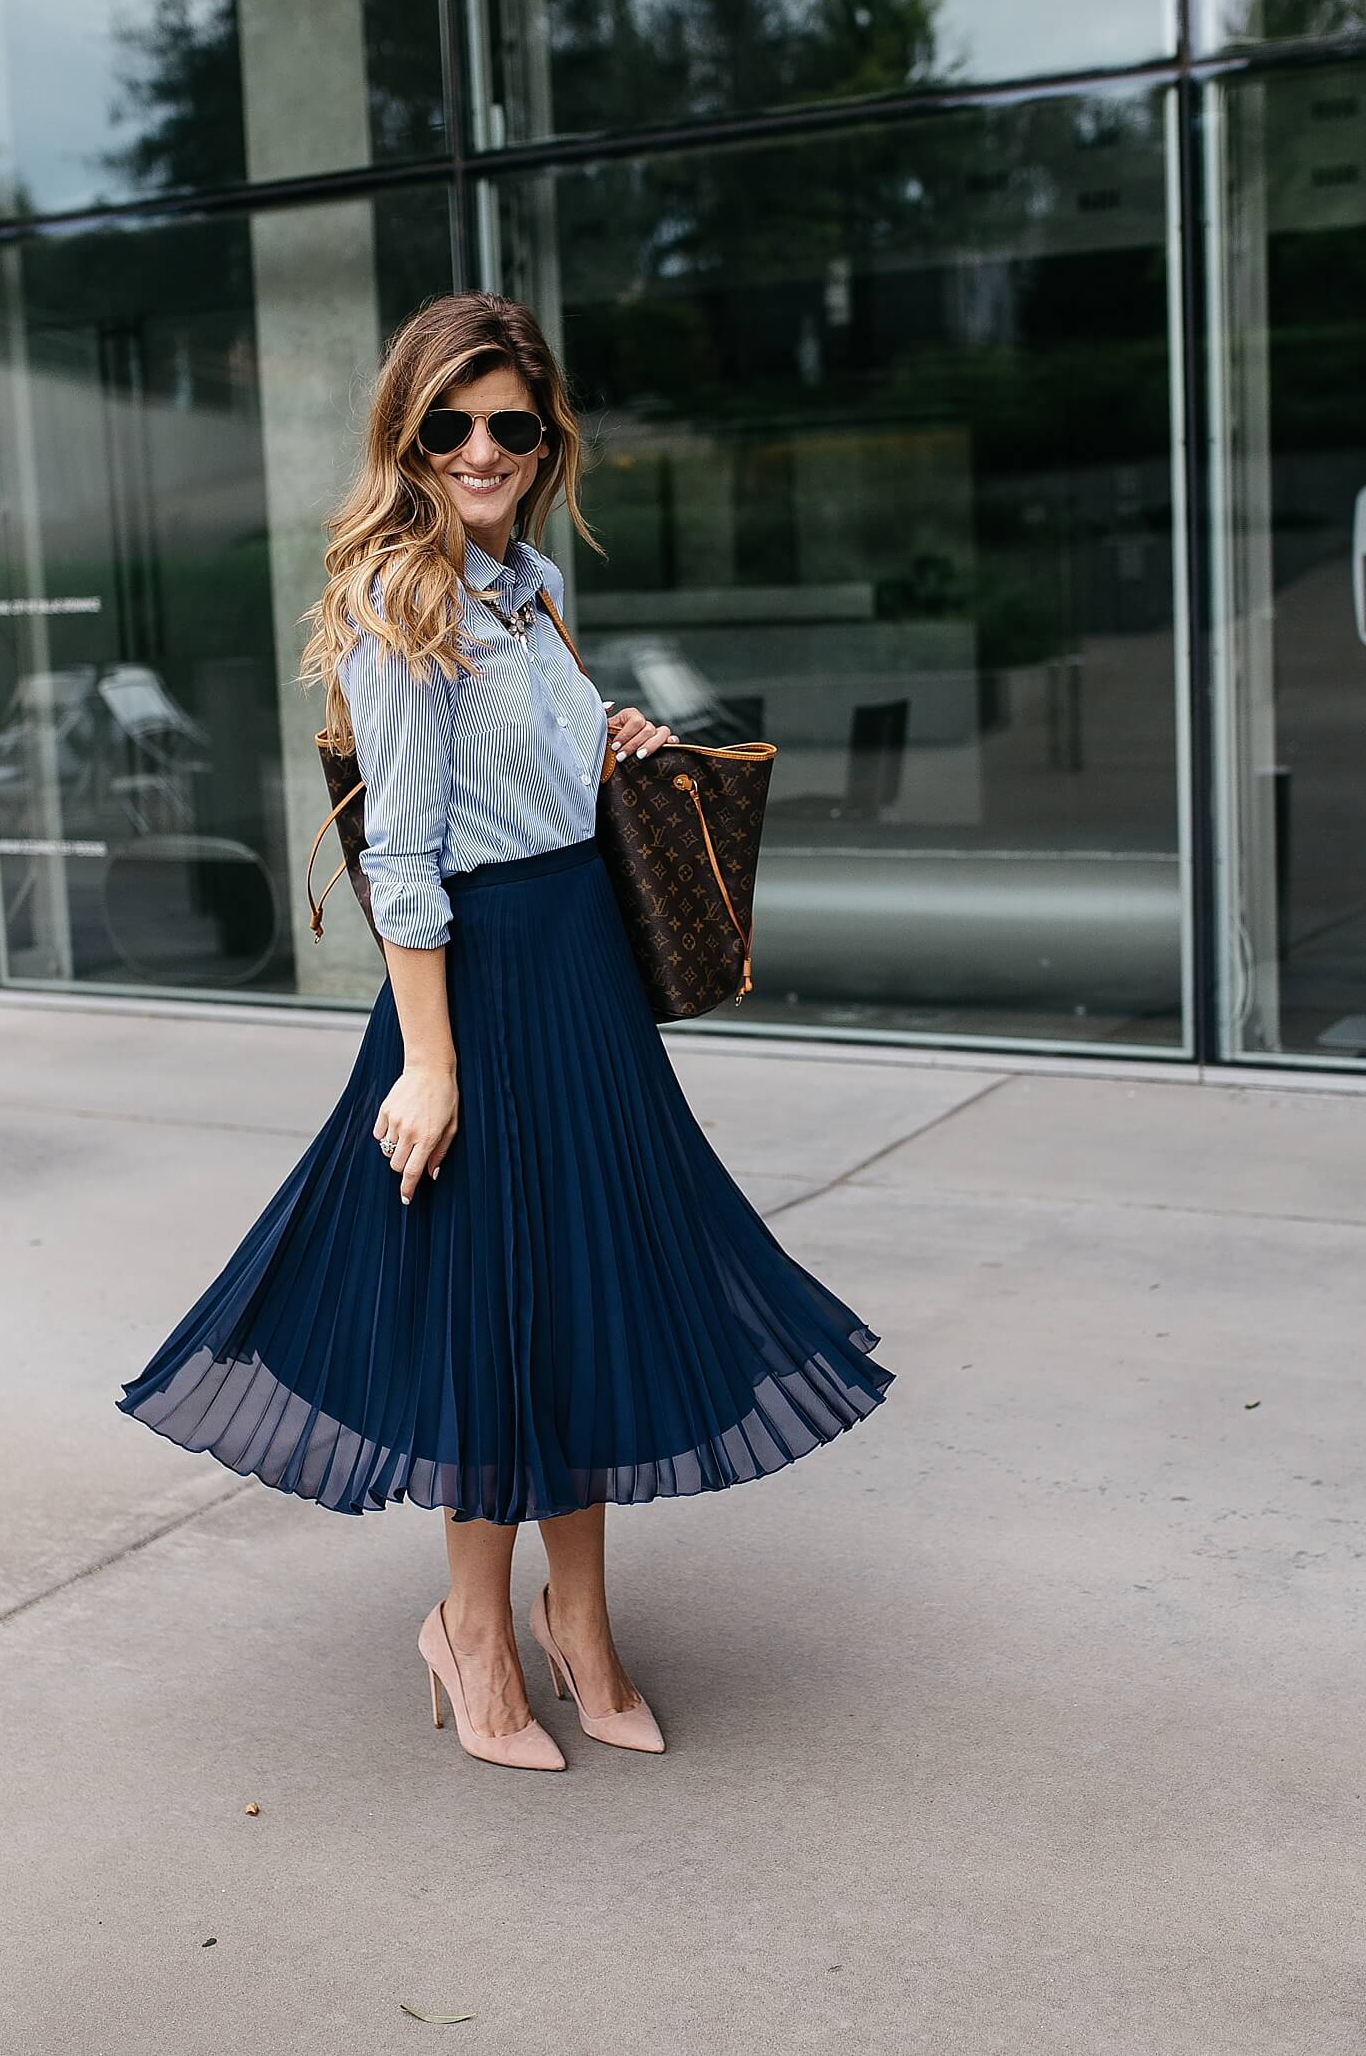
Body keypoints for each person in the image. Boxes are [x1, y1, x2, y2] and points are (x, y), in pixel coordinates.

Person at [115, 291, 895, 1771]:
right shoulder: (398, 607)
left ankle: (578, 1627)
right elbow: (402, 860)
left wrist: (615, 747)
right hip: (471, 985)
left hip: (581, 973)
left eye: (510, 426)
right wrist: (429, 1060)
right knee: (493, 1315)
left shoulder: (528, 591)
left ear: (545, 443)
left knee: (592, 1296)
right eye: (450, 425)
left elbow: (529, 795)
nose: (481, 450)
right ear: (407, 437)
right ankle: (471, 1631)